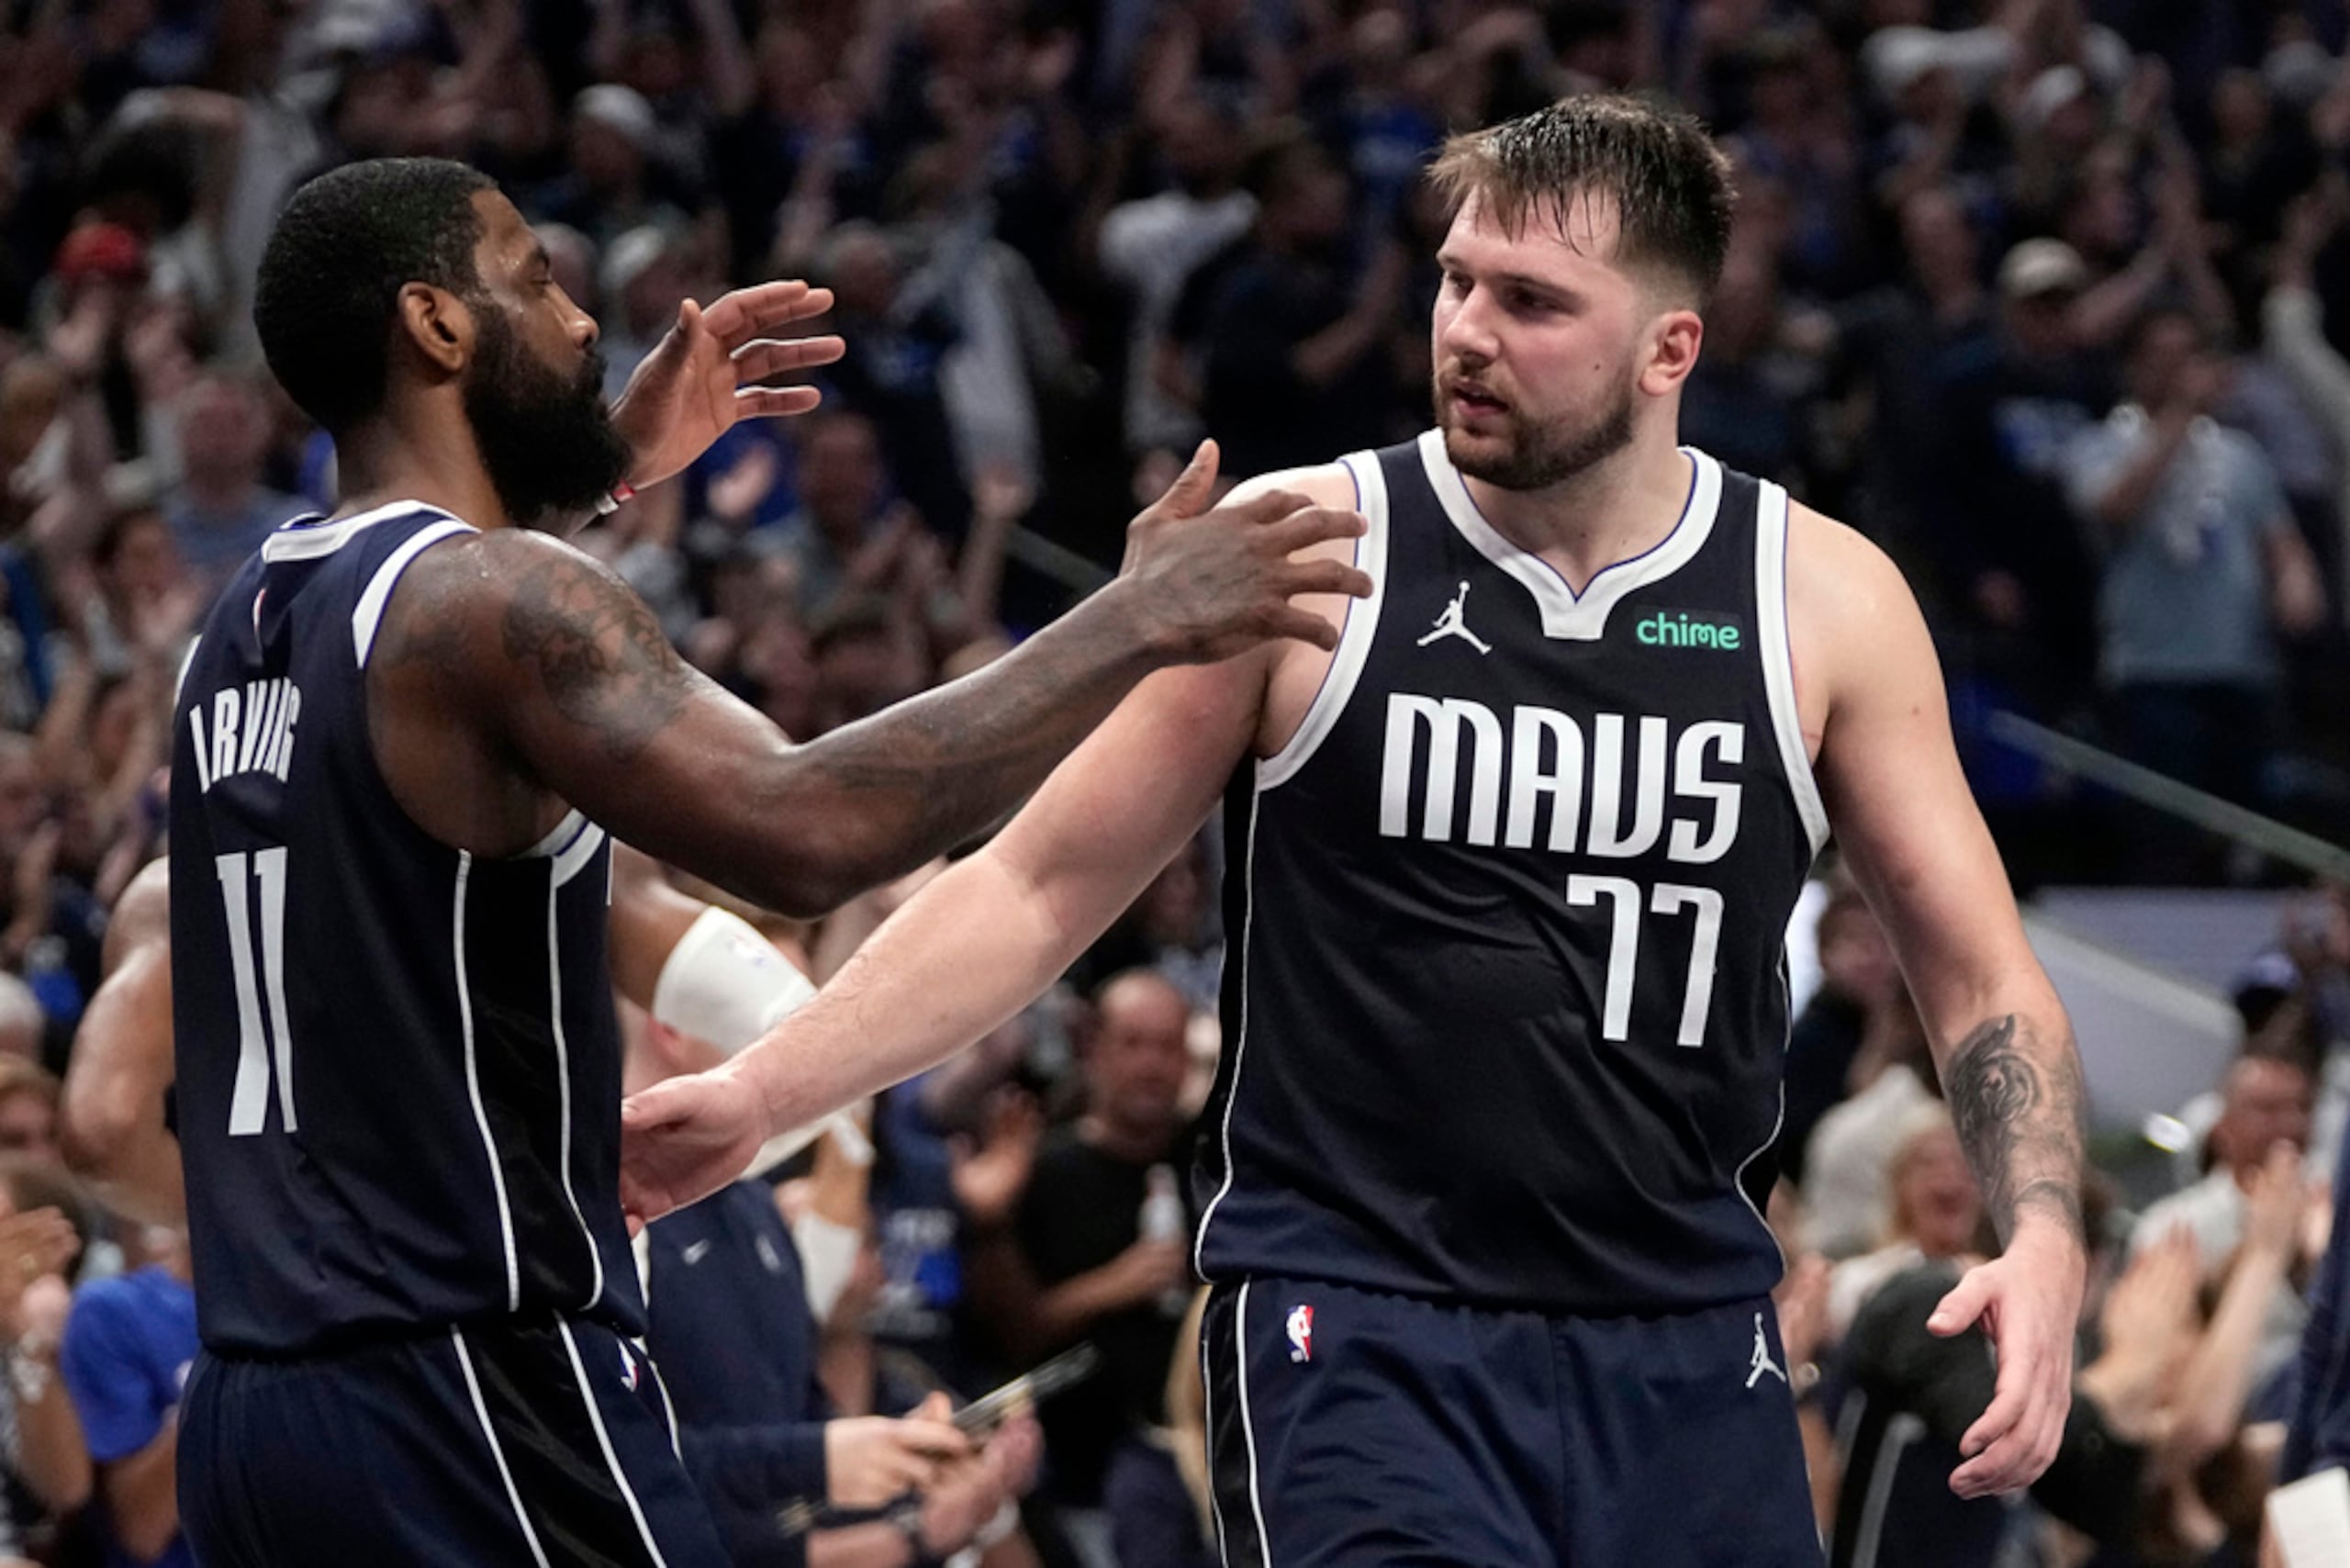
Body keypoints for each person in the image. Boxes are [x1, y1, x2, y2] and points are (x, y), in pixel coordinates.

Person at [621, 95, 2092, 1565]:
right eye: (1457, 280)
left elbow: (1976, 974)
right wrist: (769, 1092)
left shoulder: (1818, 598)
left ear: (1670, 350)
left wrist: (2045, 1231)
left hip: (1689, 1330)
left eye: (1530, 302)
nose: (1466, 329)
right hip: (1360, 1318)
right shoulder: (1301, 547)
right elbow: (1036, 883)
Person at [164, 154, 1369, 1567]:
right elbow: (809, 831)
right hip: (466, 1381)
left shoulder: (248, 620)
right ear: (436, 325)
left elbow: (453, 649)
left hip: (253, 1415)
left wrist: (596, 467)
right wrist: (1136, 617)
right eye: (538, 278)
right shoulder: (496, 605)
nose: (583, 322)